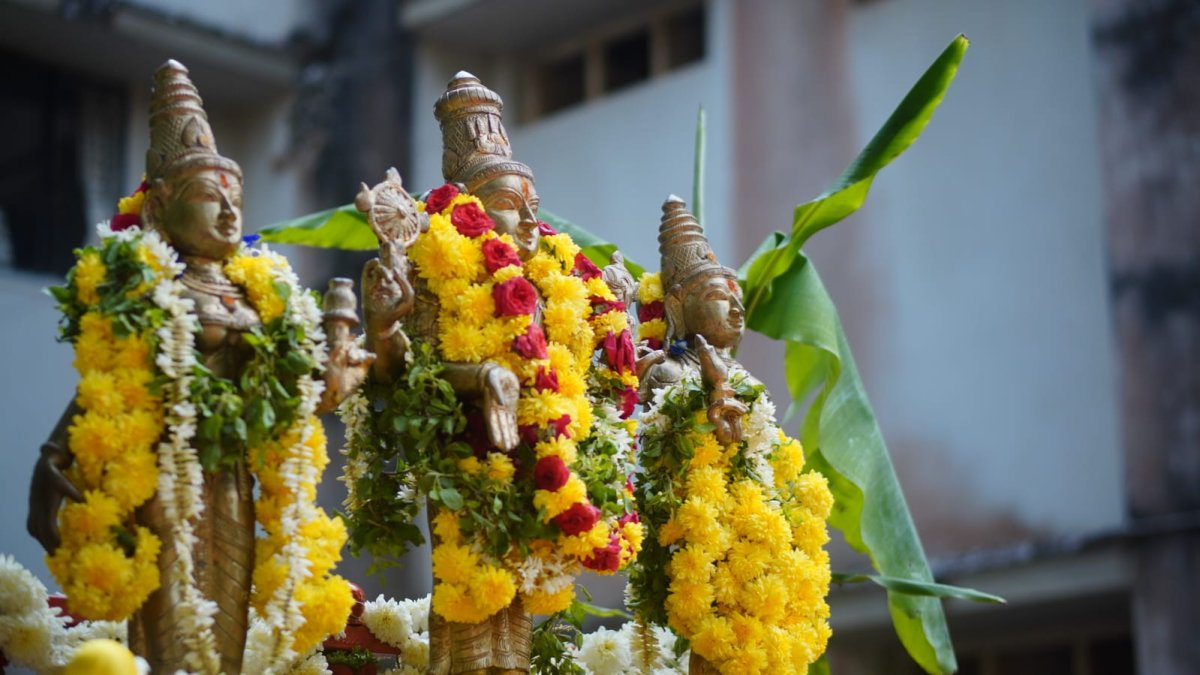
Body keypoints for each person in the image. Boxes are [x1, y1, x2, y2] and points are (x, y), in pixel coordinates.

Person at [26, 60, 371, 672]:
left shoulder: (261, 296)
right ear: (159, 208)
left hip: (234, 474)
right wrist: (53, 457)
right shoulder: (145, 288)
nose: (231, 215)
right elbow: (110, 383)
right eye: (210, 198)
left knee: (226, 627)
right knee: (173, 624)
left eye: (236, 198)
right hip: (164, 469)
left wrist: (340, 368)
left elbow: (293, 401)